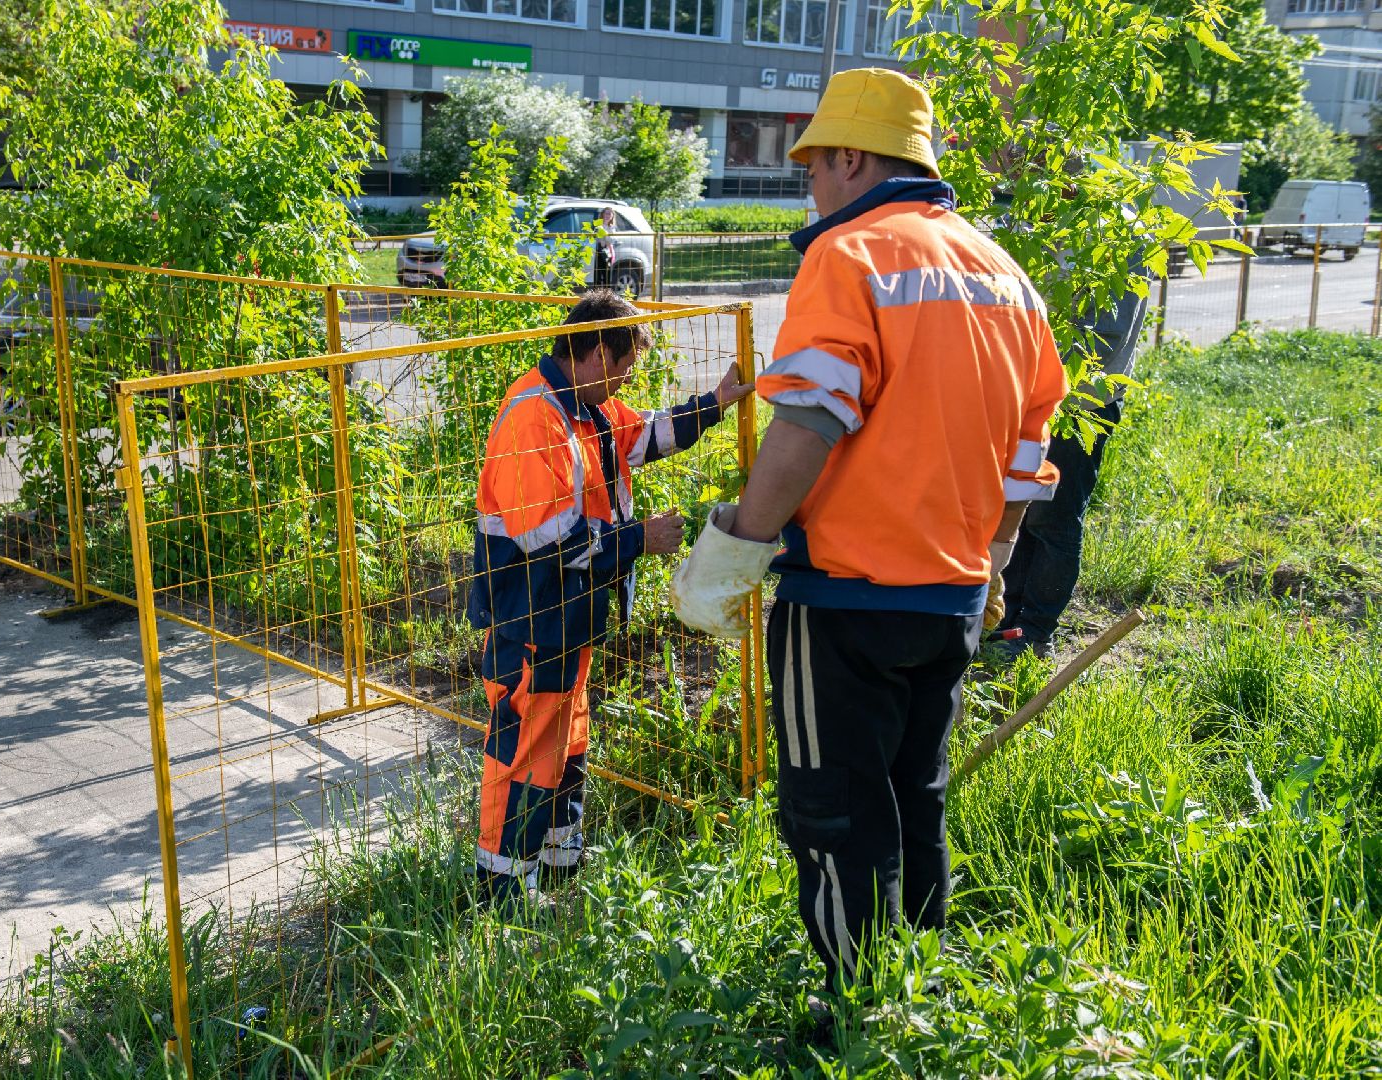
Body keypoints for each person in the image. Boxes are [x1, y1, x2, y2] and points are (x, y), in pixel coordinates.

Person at [670, 69, 1068, 1003]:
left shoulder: (849, 257)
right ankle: (917, 989)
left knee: (834, 817)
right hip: (955, 596)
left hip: (846, 595)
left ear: (851, 156)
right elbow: (1026, 453)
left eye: (813, 165)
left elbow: (809, 419)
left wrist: (732, 548)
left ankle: (854, 1011)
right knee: (912, 798)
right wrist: (997, 561)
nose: (810, 184)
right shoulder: (1004, 274)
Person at [468, 288, 753, 908]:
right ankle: (501, 891)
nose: (628, 378)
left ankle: (556, 863)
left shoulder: (586, 411)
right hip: (533, 622)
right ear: (598, 350)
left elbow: (646, 435)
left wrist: (717, 404)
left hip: (568, 622)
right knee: (524, 751)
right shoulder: (534, 419)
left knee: (564, 744)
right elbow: (550, 542)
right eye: (625, 364)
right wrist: (640, 538)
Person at [994, 273, 1147, 660]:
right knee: (1023, 509)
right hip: (1034, 400)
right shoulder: (1060, 223)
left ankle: (1035, 631)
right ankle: (1008, 621)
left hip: (1079, 406)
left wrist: (1033, 368)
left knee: (1053, 519)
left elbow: (1101, 340)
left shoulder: (1116, 237)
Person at [593, 206, 618, 289]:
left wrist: (605, 236)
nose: (608, 215)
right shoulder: (598, 226)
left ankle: (607, 296)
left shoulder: (612, 227)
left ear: (612, 216)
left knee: (607, 276)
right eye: (606, 213)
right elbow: (598, 239)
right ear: (603, 214)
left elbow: (611, 240)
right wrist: (606, 238)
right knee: (598, 276)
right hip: (599, 252)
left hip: (609, 253)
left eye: (610, 214)